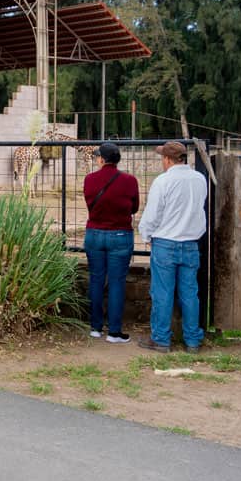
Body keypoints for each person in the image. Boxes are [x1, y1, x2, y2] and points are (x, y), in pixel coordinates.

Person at [137, 141, 208, 355]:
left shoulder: (163, 181)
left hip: (165, 243)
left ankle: (161, 338)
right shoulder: (199, 179)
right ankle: (192, 339)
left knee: (162, 293)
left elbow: (153, 214)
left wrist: (146, 234)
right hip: (191, 243)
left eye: (162, 158)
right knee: (189, 293)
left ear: (168, 159)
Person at [83, 142, 140, 343]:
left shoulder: (89, 180)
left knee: (96, 279)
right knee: (117, 282)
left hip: (95, 234)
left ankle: (95, 327)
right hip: (120, 235)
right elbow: (134, 207)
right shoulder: (130, 181)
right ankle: (114, 332)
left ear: (101, 159)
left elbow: (90, 203)